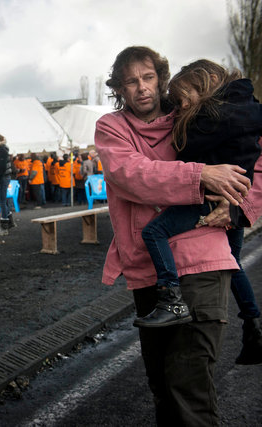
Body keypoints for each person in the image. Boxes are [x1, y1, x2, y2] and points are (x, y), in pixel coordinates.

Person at [95, 46, 261, 425]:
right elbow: (130, 175)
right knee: (163, 389)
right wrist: (199, 174)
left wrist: (241, 204)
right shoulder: (111, 127)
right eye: (131, 81)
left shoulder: (192, 109)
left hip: (202, 260)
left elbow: (255, 147)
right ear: (119, 88)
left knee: (188, 391)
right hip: (146, 269)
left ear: (161, 78)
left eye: (148, 77)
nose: (141, 88)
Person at [135, 59, 262, 330]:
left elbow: (187, 155)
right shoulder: (248, 108)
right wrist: (241, 205)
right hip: (234, 199)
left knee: (153, 232)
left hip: (212, 199)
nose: (181, 107)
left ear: (205, 84)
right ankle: (253, 325)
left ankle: (171, 299)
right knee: (234, 263)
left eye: (183, 100)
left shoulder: (209, 120)